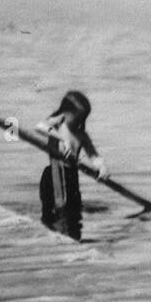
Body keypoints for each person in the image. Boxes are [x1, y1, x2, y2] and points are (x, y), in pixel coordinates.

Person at [35, 90, 107, 241]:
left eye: (83, 118)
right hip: (54, 173)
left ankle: (74, 239)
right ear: (64, 113)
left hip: (72, 176)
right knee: (53, 213)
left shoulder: (82, 135)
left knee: (73, 213)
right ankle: (53, 240)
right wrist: (61, 139)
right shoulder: (58, 125)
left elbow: (93, 155)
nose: (80, 121)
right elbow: (40, 127)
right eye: (77, 117)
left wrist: (101, 167)